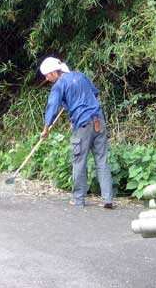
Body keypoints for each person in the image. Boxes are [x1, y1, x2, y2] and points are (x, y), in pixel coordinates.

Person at [39, 56, 114, 208]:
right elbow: (94, 92)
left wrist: (46, 129)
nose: (47, 78)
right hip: (99, 121)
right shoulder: (80, 76)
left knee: (79, 161)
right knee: (102, 161)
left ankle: (79, 199)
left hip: (82, 125)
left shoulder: (59, 85)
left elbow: (52, 107)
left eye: (47, 75)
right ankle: (107, 200)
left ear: (54, 72)